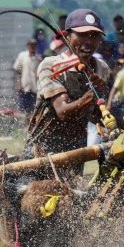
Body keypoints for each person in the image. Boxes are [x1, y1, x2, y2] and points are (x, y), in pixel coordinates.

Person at [25, 8, 110, 162]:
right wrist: (91, 95)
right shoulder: (51, 65)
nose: (89, 41)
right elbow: (62, 111)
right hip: (44, 149)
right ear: (67, 36)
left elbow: (96, 115)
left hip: (77, 148)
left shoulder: (102, 69)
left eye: (94, 35)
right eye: (82, 34)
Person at [13, 38, 42, 114]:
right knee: (23, 109)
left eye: (34, 46)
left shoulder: (38, 58)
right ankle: (24, 124)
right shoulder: (22, 56)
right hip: (24, 86)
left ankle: (30, 124)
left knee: (33, 109)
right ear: (28, 46)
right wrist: (19, 83)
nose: (32, 47)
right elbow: (18, 70)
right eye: (31, 45)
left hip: (34, 87)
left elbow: (40, 73)